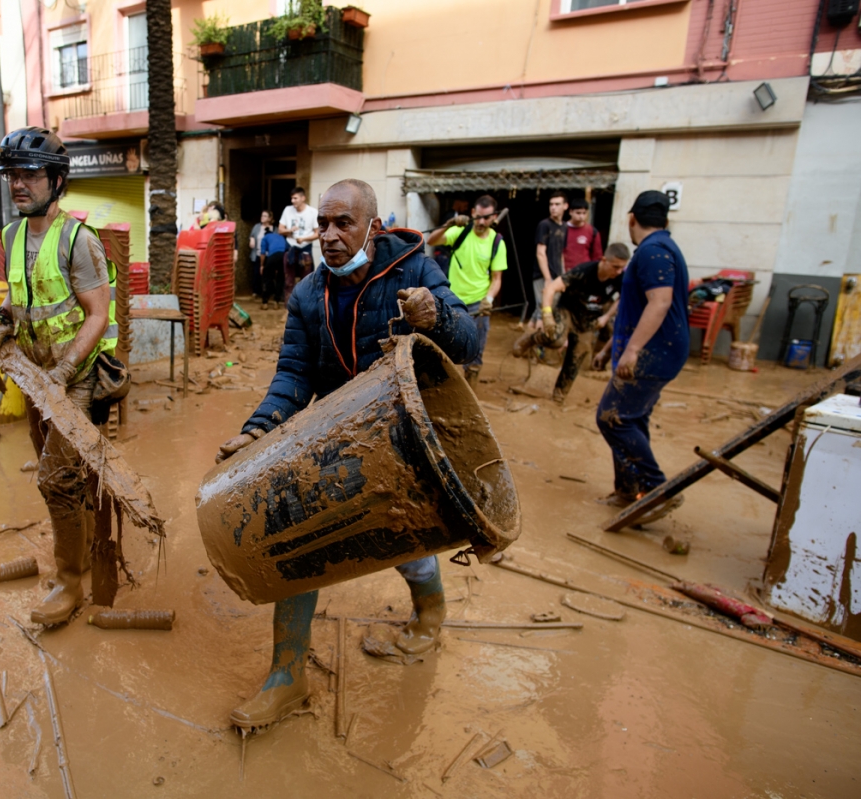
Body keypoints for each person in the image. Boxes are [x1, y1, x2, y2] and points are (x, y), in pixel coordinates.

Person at [216, 179, 479, 730]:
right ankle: (287, 675)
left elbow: (471, 343)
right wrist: (258, 428)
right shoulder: (309, 295)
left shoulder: (415, 271)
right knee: (301, 539)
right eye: (323, 225)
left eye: (344, 224)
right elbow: (293, 374)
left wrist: (438, 318)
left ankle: (430, 612)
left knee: (404, 543)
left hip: (412, 433)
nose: (329, 237)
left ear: (373, 228)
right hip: (340, 433)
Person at [0, 127, 116, 626]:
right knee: (60, 476)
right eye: (12, 175)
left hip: (75, 376)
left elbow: (97, 315)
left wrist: (62, 373)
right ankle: (79, 557)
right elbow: (18, 298)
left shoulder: (79, 241)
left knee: (55, 479)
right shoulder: (12, 235)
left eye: (30, 174)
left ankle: (69, 585)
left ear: (57, 181)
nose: (18, 184)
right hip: (36, 376)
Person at [595, 191, 688, 523]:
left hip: (652, 354)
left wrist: (632, 350)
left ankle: (655, 489)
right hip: (656, 351)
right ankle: (627, 490)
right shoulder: (661, 248)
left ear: (631, 218)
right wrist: (609, 350)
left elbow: (659, 303)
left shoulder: (652, 252)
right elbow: (634, 305)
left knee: (610, 417)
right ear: (665, 219)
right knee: (631, 418)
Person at [512, 242, 630, 403]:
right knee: (556, 339)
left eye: (621, 268)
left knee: (577, 357)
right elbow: (551, 288)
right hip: (567, 311)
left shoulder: (621, 278)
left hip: (588, 320)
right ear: (604, 260)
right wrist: (547, 315)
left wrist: (606, 316)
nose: (618, 271)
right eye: (615, 267)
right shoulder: (584, 271)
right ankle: (531, 338)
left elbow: (623, 299)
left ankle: (559, 396)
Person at [426, 194, 507, 385]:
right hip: (452, 302)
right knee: (442, 347)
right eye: (478, 216)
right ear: (472, 213)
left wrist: (490, 299)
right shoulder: (461, 231)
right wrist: (450, 223)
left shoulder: (497, 242)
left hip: (479, 304)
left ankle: (470, 393)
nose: (481, 221)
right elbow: (431, 240)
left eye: (486, 218)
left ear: (494, 217)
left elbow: (496, 278)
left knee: (474, 352)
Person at [534, 191, 569, 327]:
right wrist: (547, 278)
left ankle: (526, 342)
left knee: (548, 307)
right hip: (542, 275)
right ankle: (539, 346)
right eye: (551, 204)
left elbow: (561, 254)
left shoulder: (564, 227)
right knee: (542, 310)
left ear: (565, 206)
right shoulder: (544, 225)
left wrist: (563, 275)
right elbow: (540, 253)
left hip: (556, 275)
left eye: (557, 204)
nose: (553, 207)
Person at [278, 186, 318, 301]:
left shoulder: (312, 212)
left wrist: (304, 239)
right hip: (290, 248)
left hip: (305, 249)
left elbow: (318, 233)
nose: (292, 201)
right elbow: (280, 230)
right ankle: (288, 310)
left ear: (303, 198)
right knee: (288, 281)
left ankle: (305, 309)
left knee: (307, 281)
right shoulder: (287, 210)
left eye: (295, 198)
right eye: (292, 198)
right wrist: (289, 230)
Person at [563, 198, 602, 272]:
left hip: (584, 273)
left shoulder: (592, 231)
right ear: (570, 212)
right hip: (564, 272)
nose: (581, 216)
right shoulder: (561, 229)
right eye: (578, 213)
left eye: (584, 213)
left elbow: (597, 256)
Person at [257, 223, 287, 309]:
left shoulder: (265, 238)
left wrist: (262, 265)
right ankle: (276, 302)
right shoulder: (280, 236)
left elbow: (262, 253)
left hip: (273, 256)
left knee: (267, 278)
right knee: (280, 279)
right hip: (283, 256)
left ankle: (265, 303)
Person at [248, 211, 273, 298]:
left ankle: (267, 292)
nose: (262, 217)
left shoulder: (274, 229)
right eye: (262, 215)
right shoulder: (257, 227)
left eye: (265, 216)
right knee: (256, 273)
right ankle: (255, 291)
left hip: (269, 255)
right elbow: (252, 235)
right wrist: (251, 240)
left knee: (268, 274)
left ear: (270, 218)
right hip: (258, 253)